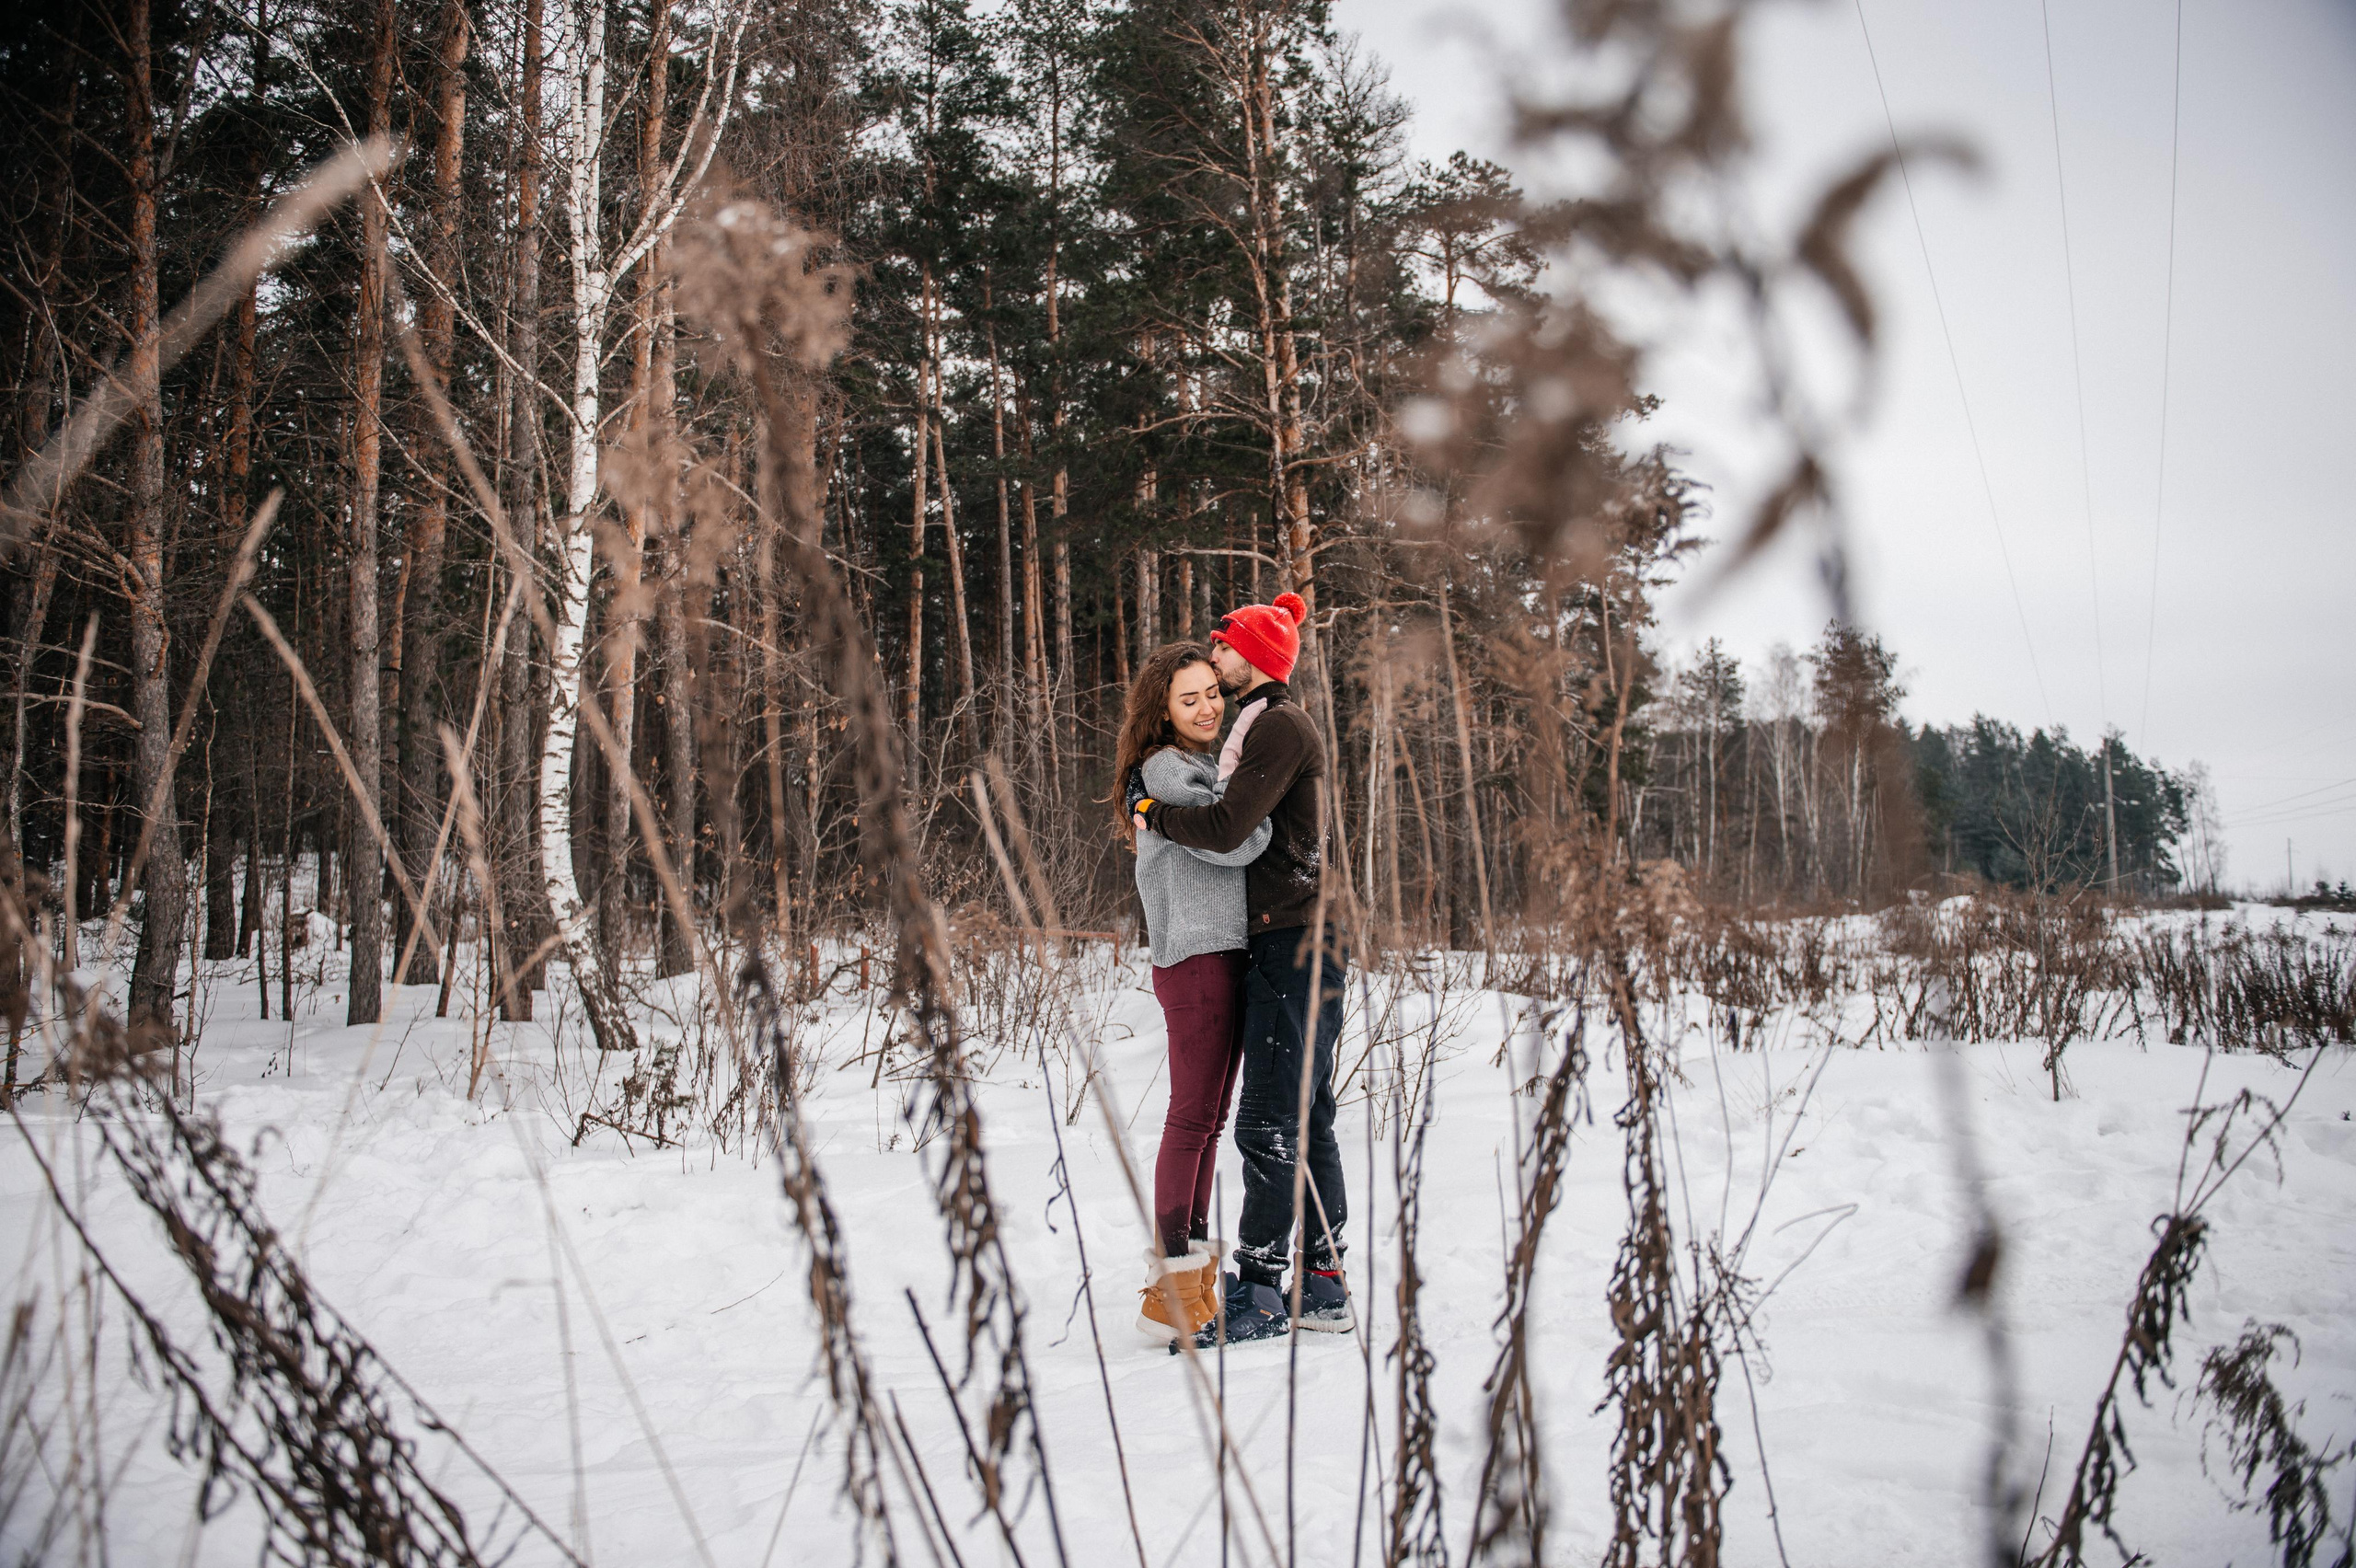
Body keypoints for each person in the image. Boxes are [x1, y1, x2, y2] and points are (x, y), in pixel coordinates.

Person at [1131, 592, 1352, 1346]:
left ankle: (1259, 1289)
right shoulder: (1241, 737)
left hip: (1294, 939)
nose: (1214, 662)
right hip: (1286, 939)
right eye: (1189, 692)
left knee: (1266, 1121)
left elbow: (1230, 829)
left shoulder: (1279, 725)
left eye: (1222, 650)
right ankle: (1321, 1282)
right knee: (1301, 1113)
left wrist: (1150, 815)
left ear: (1250, 655)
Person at [1116, 641, 1271, 1343]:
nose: (1209, 705)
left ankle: (1193, 1284)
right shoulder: (1167, 769)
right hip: (1197, 957)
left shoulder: (1202, 765)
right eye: (1191, 697)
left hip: (1221, 954)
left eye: (1213, 691)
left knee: (1208, 1120)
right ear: (1163, 709)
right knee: (1191, 1119)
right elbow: (1239, 841)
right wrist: (1252, 809)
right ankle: (1172, 1294)